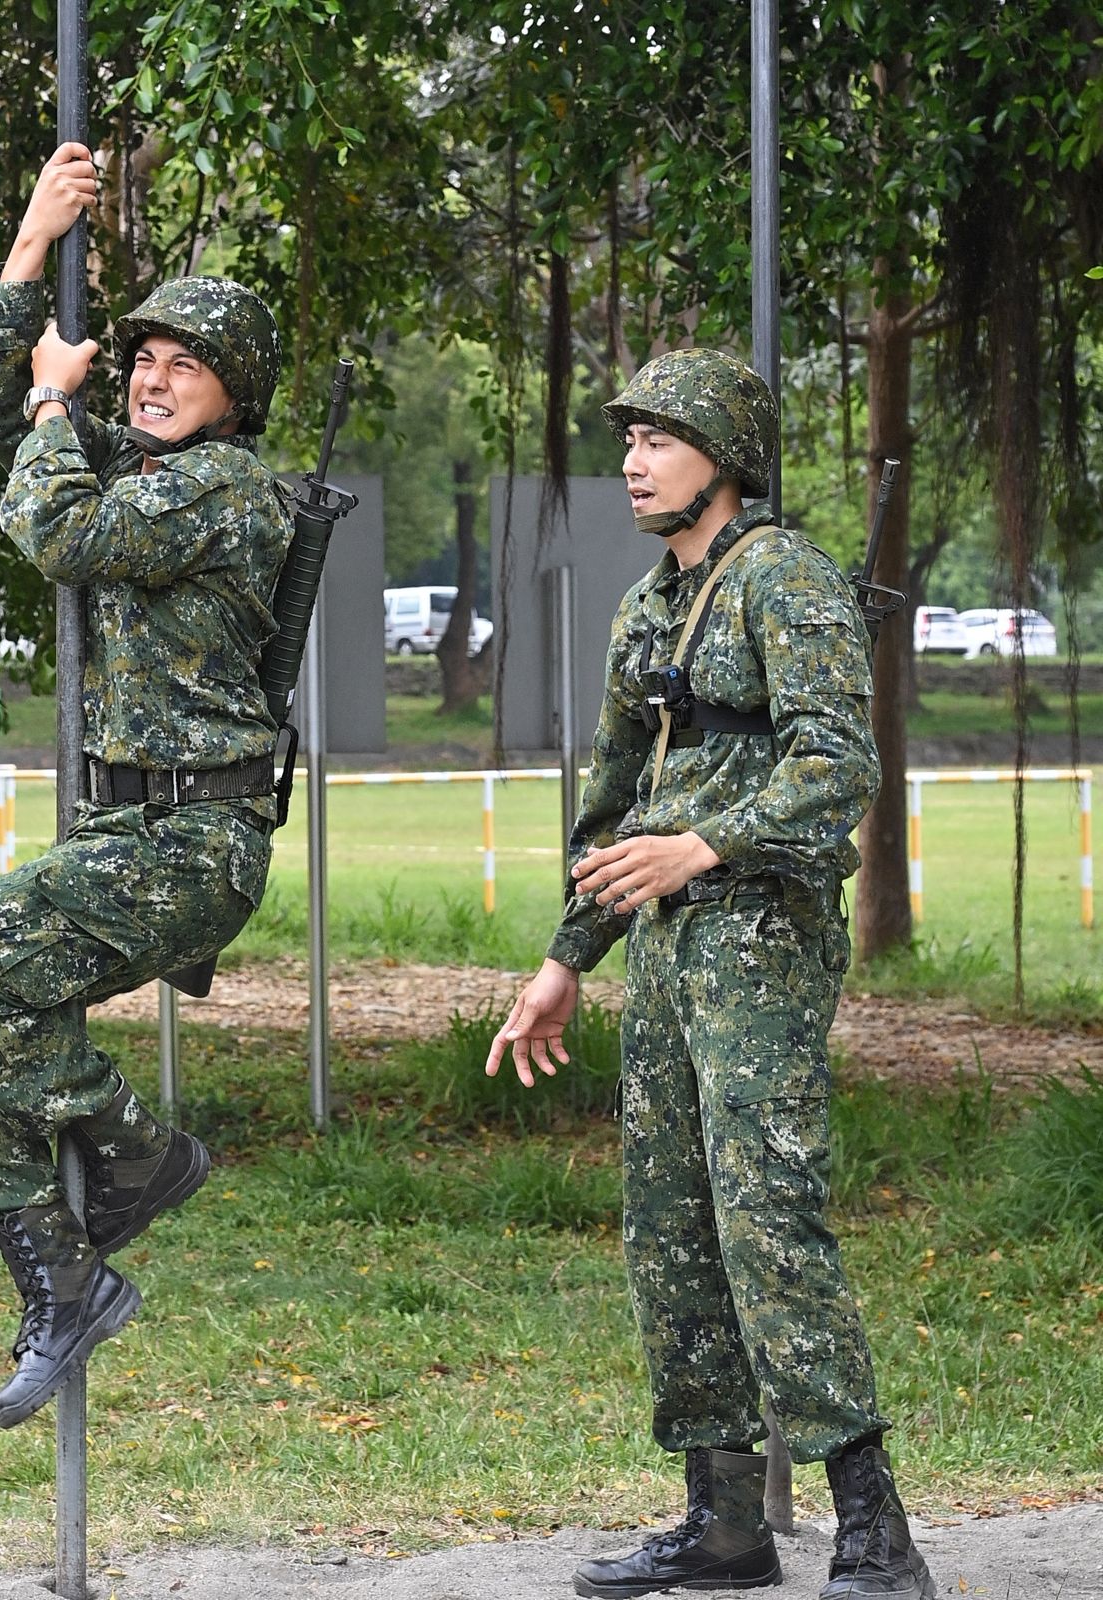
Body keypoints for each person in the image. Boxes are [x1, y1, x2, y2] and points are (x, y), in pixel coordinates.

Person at [485, 349, 936, 1600]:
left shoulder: (780, 581)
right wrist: (564, 959)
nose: (631, 461)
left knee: (765, 1215)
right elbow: (611, 801)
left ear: (723, 455)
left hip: (762, 933)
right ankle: (723, 1519)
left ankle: (873, 1530)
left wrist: (708, 841)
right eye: (626, 439)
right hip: (674, 947)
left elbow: (838, 765)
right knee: (671, 1227)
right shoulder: (648, 607)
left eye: (658, 440)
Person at [0, 142, 291, 1429]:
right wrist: (29, 239)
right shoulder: (144, 465)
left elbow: (54, 529)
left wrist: (58, 410)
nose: (154, 376)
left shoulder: (226, 491)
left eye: (186, 363)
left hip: (196, 832)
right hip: (131, 823)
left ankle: (135, 1142)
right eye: (143, 358)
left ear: (237, 393)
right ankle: (60, 1273)